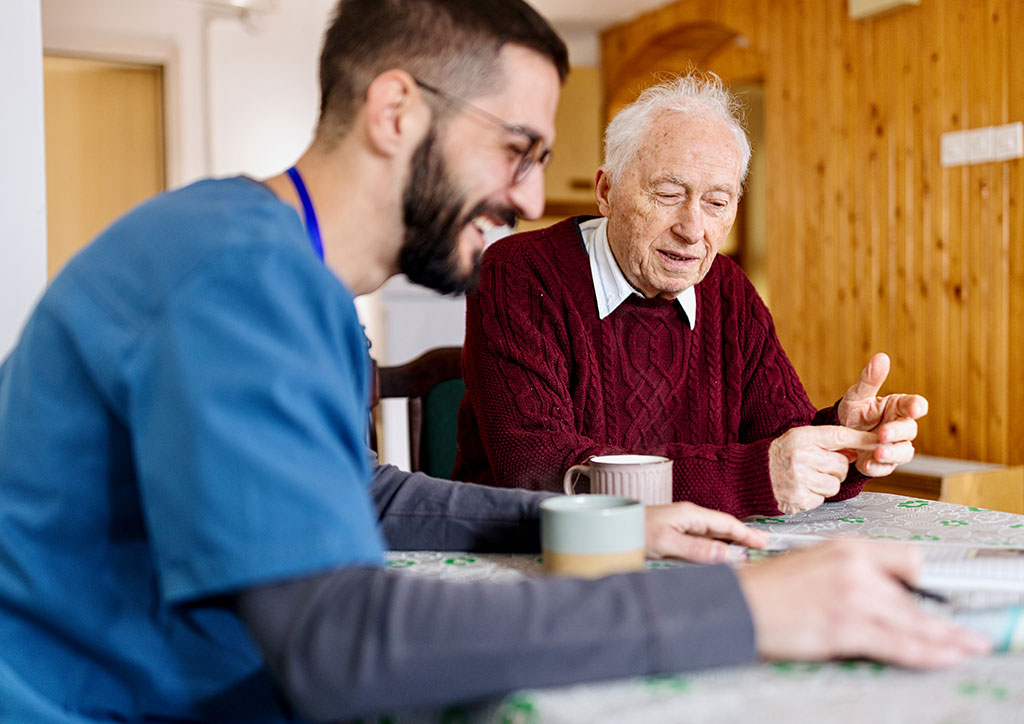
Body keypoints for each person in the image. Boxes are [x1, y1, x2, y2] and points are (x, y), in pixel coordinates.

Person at [0, 3, 988, 723]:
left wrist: (607, 519)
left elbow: (368, 495)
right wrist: (736, 606)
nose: (527, 199)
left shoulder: (290, 274)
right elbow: (337, 644)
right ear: (397, 110)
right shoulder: (233, 276)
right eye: (515, 149)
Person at [454, 73, 927, 519]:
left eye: (717, 203)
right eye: (667, 194)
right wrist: (751, 476)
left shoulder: (728, 288)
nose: (693, 229)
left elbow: (781, 439)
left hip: (693, 552)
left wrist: (843, 442)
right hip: (538, 555)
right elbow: (537, 467)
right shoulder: (518, 272)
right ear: (606, 191)